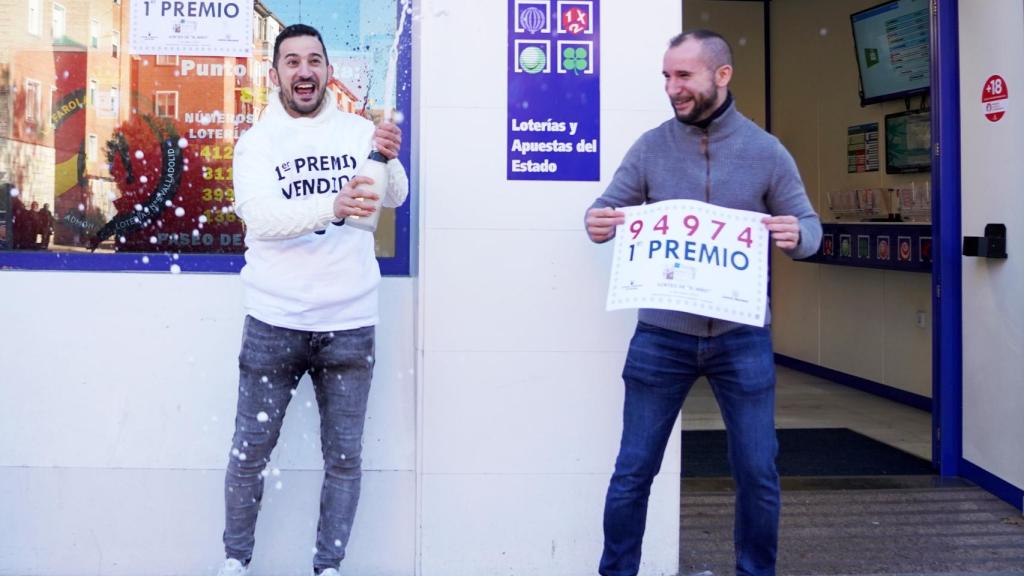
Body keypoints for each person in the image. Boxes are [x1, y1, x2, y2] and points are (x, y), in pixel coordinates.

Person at [584, 30, 821, 576]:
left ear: (722, 75)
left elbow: (810, 227)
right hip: (661, 338)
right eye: (667, 77)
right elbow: (605, 208)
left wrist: (798, 236)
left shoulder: (766, 151)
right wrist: (597, 222)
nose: (672, 88)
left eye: (684, 75)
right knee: (633, 471)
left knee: (757, 473)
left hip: (742, 337)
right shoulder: (650, 147)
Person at [217, 24, 408, 576]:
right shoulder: (257, 143)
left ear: (328, 70)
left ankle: (328, 567)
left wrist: (388, 156)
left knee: (344, 458)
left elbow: (396, 197)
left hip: (350, 323)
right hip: (274, 322)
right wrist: (333, 206)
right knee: (250, 452)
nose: (304, 71)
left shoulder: (357, 130)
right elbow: (262, 219)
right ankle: (235, 561)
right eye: (293, 61)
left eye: (314, 61)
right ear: (275, 73)